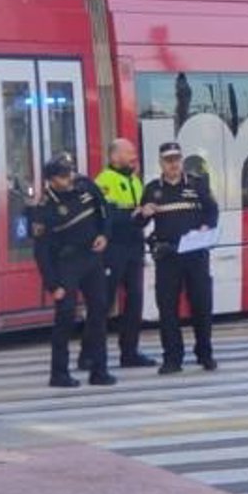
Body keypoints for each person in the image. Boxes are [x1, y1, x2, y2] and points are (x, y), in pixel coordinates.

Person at [33, 156, 117, 388]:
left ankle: (99, 370)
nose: (69, 178)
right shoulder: (45, 207)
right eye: (62, 176)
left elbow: (105, 213)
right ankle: (59, 374)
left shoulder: (86, 186)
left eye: (69, 172)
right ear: (51, 180)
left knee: (99, 312)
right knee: (65, 318)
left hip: (92, 258)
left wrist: (104, 236)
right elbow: (41, 251)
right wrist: (52, 284)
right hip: (66, 264)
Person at [145, 141, 218, 373]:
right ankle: (172, 358)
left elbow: (212, 210)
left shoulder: (197, 184)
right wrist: (143, 213)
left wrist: (207, 226)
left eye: (176, 159)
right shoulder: (152, 189)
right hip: (167, 256)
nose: (173, 164)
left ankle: (204, 354)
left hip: (195, 254)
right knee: (167, 308)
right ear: (161, 163)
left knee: (202, 306)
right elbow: (140, 220)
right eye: (168, 160)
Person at [93, 138, 156, 369]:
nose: (134, 156)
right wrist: (133, 215)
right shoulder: (104, 182)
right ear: (114, 157)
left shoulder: (135, 181)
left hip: (134, 249)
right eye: (128, 152)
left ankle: (129, 352)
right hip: (113, 250)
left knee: (135, 302)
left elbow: (138, 218)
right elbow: (106, 218)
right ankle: (88, 354)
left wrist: (146, 214)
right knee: (103, 302)